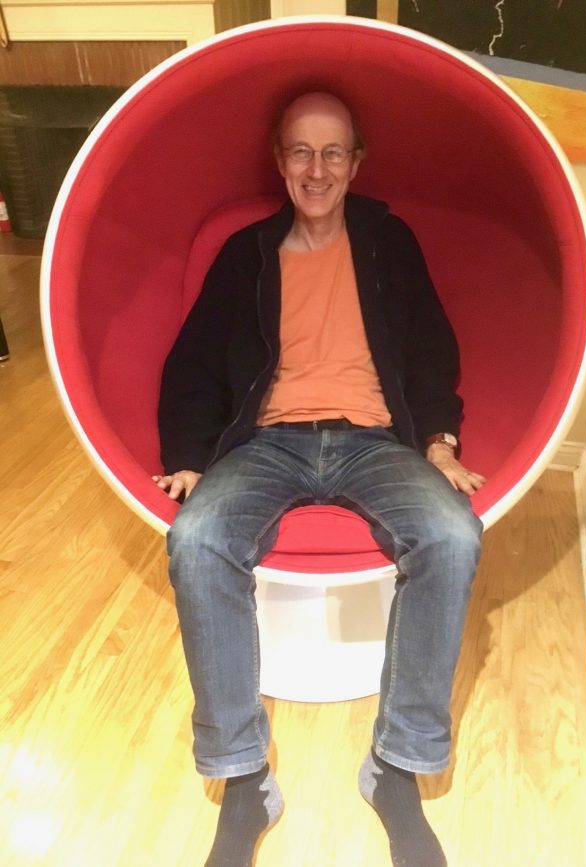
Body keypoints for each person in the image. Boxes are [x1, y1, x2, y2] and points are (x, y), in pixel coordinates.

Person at [154, 91, 485, 867]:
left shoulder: (387, 242)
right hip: (270, 441)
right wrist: (190, 452)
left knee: (450, 534)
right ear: (280, 161)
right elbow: (194, 357)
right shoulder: (248, 253)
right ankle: (244, 782)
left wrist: (438, 440)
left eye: (333, 152)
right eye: (301, 151)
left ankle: (396, 767)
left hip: (375, 439)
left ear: (356, 163)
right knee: (197, 539)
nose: (317, 168)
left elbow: (435, 345)